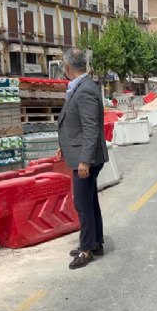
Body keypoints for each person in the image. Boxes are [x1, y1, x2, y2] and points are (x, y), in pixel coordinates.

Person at [57, 47, 109, 269]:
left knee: (82, 204)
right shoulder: (81, 87)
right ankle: (95, 242)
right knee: (89, 201)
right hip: (79, 153)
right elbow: (76, 125)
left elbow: (90, 128)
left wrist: (84, 161)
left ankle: (87, 249)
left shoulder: (85, 89)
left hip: (85, 158)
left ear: (68, 66)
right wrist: (64, 146)